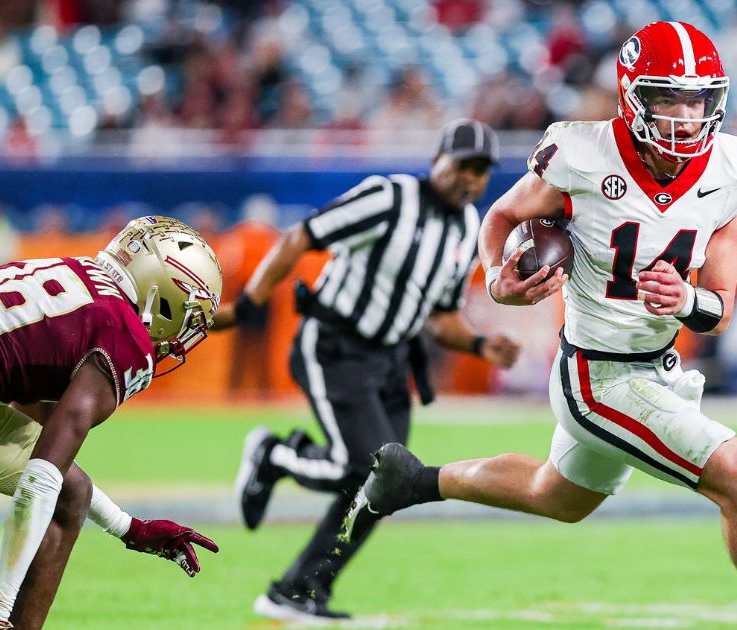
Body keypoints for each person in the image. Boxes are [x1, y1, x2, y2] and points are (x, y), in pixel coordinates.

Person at [349, 22, 737, 630]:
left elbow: (720, 307)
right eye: (667, 98)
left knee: (559, 496)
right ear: (632, 97)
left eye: (696, 98)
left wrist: (684, 301)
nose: (684, 115)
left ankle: (415, 482)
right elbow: (501, 217)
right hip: (595, 375)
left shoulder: (731, 167)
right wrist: (498, 279)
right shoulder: (580, 154)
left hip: (660, 368)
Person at [215, 119, 521, 623]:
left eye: (481, 171)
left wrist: (480, 343)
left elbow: (440, 316)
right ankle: (275, 456)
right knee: (362, 469)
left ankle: (299, 591)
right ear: (437, 159)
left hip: (390, 361)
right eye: (462, 165)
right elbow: (300, 237)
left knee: (387, 485)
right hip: (336, 343)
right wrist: (250, 304)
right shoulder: (389, 197)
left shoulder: (468, 227)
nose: (470, 179)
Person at [0, 216, 223, 630]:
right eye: (187, 313)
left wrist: (130, 528)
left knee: (73, 494)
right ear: (161, 292)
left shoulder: (77, 274)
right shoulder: (123, 333)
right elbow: (41, 475)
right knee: (58, 485)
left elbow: (54, 469)